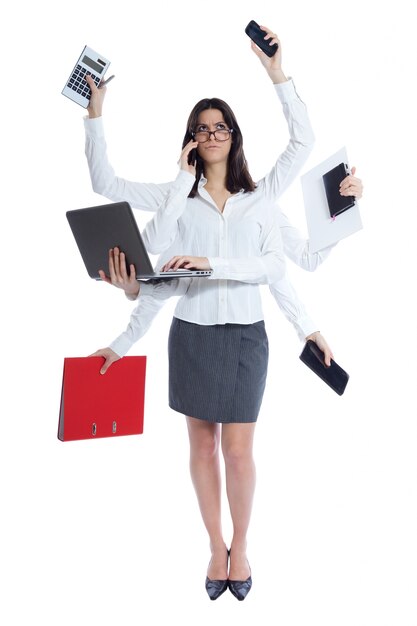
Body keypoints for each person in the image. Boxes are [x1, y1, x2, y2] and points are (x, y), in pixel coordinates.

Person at [80, 27, 362, 600]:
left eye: (220, 127)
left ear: (234, 136)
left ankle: (244, 544)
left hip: (244, 343)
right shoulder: (176, 196)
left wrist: (343, 210)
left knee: (239, 450)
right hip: (192, 338)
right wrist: (94, 113)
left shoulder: (262, 199)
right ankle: (215, 546)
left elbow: (289, 264)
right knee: (202, 447)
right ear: (189, 140)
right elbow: (111, 197)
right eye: (201, 128)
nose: (211, 135)